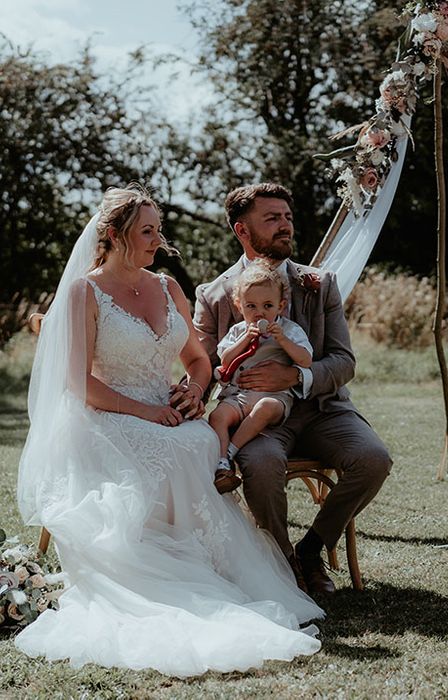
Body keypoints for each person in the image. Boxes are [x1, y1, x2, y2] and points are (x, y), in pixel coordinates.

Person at [15, 185, 323, 675]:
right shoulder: (84, 292)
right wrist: (145, 411)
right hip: (107, 416)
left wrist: (196, 392)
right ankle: (170, 569)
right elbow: (77, 383)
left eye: (158, 229)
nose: (158, 240)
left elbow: (199, 360)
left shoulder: (167, 287)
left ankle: (213, 566)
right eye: (147, 231)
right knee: (174, 447)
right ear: (114, 236)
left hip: (172, 412)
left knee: (201, 438)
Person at [194, 182, 392, 595]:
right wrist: (220, 375)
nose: (285, 226)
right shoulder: (213, 295)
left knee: (373, 459)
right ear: (241, 231)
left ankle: (311, 550)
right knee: (262, 468)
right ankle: (282, 563)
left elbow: (344, 361)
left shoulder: (321, 283)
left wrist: (295, 377)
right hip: (257, 419)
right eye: (272, 219)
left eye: (287, 217)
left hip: (323, 409)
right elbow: (202, 364)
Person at [209, 261, 312, 494]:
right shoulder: (238, 331)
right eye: (251, 306)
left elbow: (305, 360)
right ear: (239, 305)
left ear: (280, 306)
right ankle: (222, 464)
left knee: (265, 407)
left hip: (274, 397)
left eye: (268, 305)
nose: (259, 313)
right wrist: (245, 338)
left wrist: (283, 340)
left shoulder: (290, 329)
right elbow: (225, 359)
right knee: (218, 415)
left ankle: (230, 452)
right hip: (240, 396)